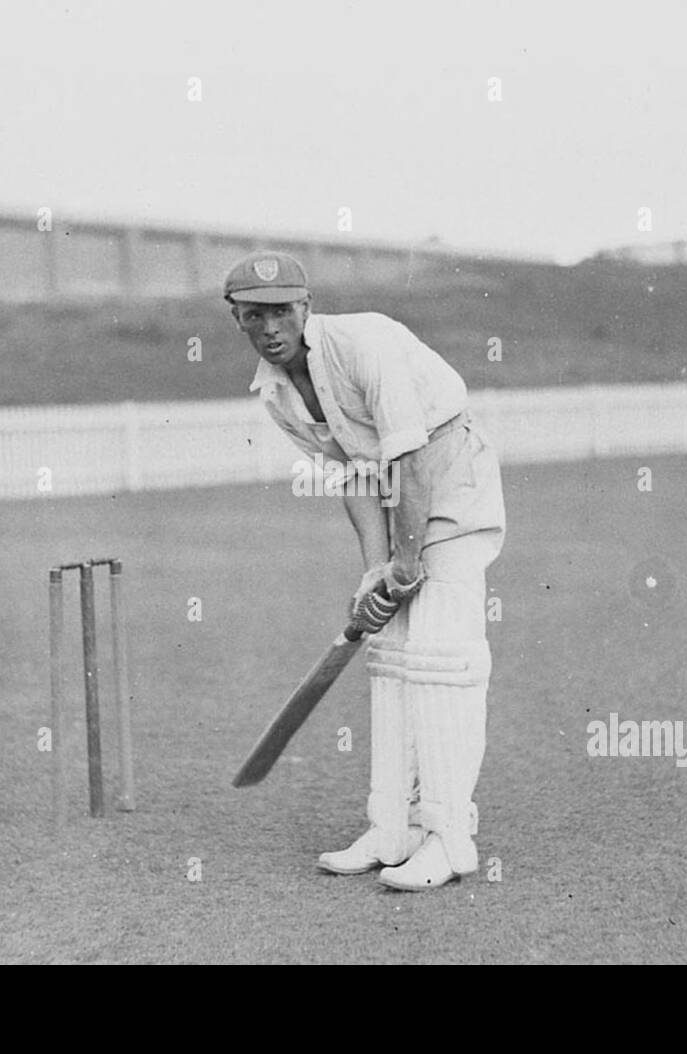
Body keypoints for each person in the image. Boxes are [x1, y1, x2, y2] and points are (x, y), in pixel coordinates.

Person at [225, 250, 506, 890]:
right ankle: (392, 828)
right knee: (389, 656)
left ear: (305, 309)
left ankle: (449, 840)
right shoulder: (274, 393)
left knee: (440, 659)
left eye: (280, 312)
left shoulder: (365, 343)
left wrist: (405, 564)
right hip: (391, 488)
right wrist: (375, 568)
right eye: (253, 315)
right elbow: (353, 468)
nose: (269, 328)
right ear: (236, 319)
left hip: (451, 474)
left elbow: (409, 457)